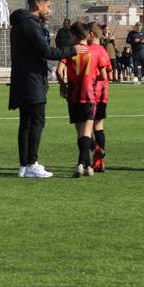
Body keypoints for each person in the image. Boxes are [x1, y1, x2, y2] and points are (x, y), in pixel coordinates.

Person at [9, 0, 82, 179]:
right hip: (32, 80)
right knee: (36, 122)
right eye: (47, 6)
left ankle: (24, 165)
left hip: (24, 78)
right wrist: (72, 50)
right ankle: (32, 163)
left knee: (26, 123)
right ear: (37, 5)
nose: (49, 9)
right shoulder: (29, 24)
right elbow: (46, 52)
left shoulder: (22, 24)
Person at [55, 22, 106, 178]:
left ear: (75, 36)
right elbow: (104, 76)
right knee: (87, 132)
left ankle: (84, 165)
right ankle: (85, 165)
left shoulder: (70, 52)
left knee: (80, 133)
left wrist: (63, 84)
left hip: (73, 95)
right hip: (89, 95)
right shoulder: (95, 52)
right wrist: (89, 78)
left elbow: (58, 71)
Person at [87, 23, 112, 172]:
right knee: (99, 126)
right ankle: (99, 162)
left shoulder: (88, 51)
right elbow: (109, 73)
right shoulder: (104, 51)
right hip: (103, 93)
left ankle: (96, 150)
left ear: (90, 34)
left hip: (89, 92)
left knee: (84, 128)